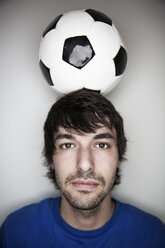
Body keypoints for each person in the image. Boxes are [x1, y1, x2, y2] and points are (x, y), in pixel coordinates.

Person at [0, 88, 165, 247]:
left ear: (119, 157)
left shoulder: (154, 236)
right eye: (67, 145)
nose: (85, 165)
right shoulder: (16, 232)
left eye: (101, 145)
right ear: (51, 158)